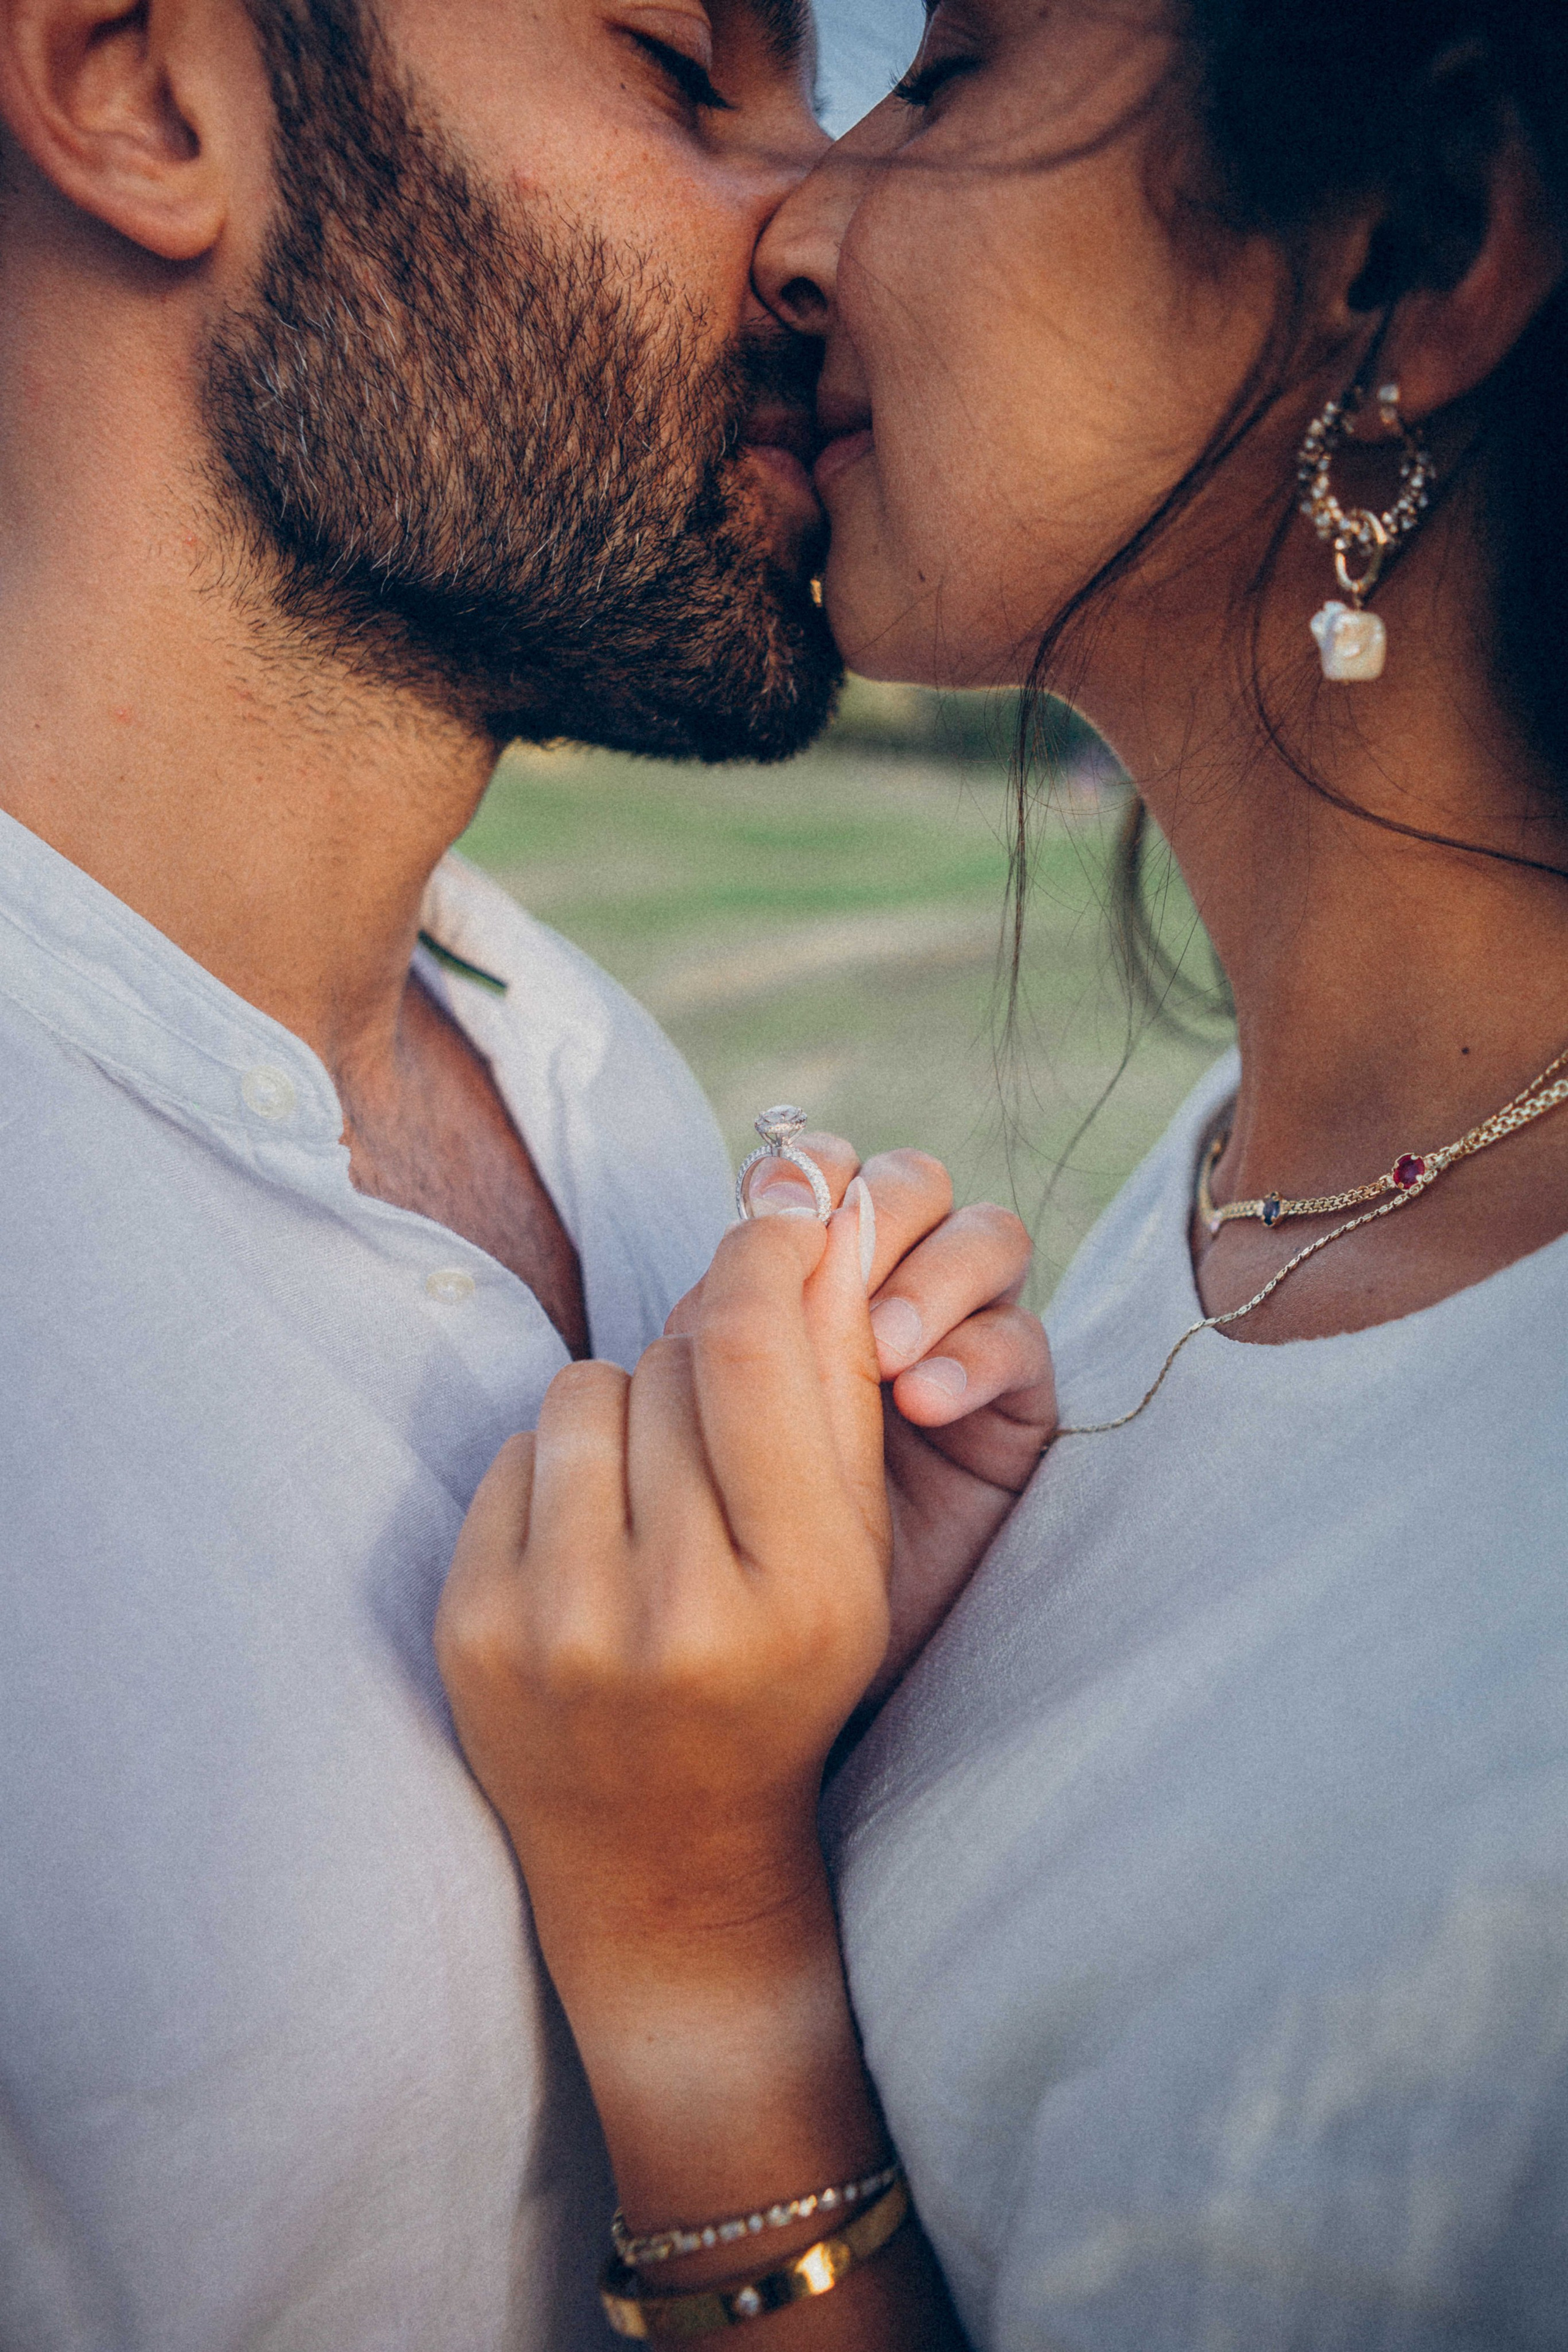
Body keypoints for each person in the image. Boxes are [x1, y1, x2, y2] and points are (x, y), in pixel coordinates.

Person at [438, 0, 1568, 2343]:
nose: (801, 233)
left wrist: (695, 1935)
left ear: (1420, 244)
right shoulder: (1266, 1190)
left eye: (948, 75)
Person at [0, 3, 1051, 2346]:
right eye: (688, 65)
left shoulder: (590, 1066)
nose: (827, 218)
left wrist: (852, 1754)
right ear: (139, 84)